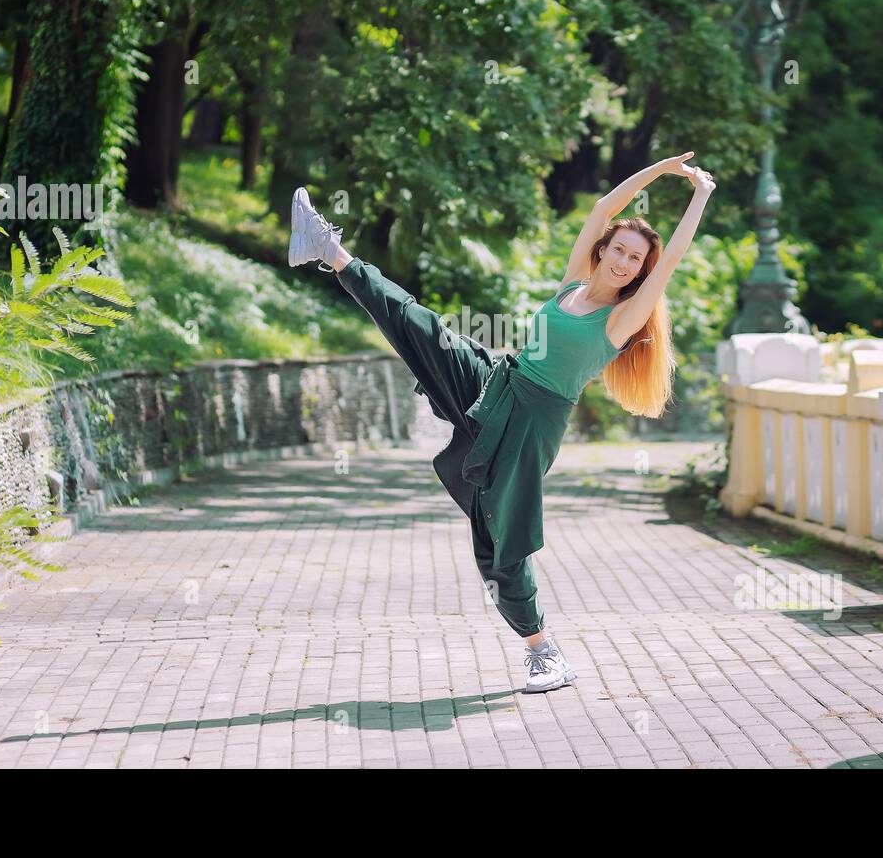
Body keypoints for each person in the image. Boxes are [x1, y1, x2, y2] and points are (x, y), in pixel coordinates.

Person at [287, 153, 716, 692]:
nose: (626, 263)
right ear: (602, 249)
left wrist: (699, 193)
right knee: (424, 327)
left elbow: (672, 257)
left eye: (636, 260)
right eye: (620, 250)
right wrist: (661, 170)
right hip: (501, 378)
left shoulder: (623, 318)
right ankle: (328, 248)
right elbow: (606, 206)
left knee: (499, 541)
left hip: (533, 424)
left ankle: (544, 650)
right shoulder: (572, 285)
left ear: (640, 272)